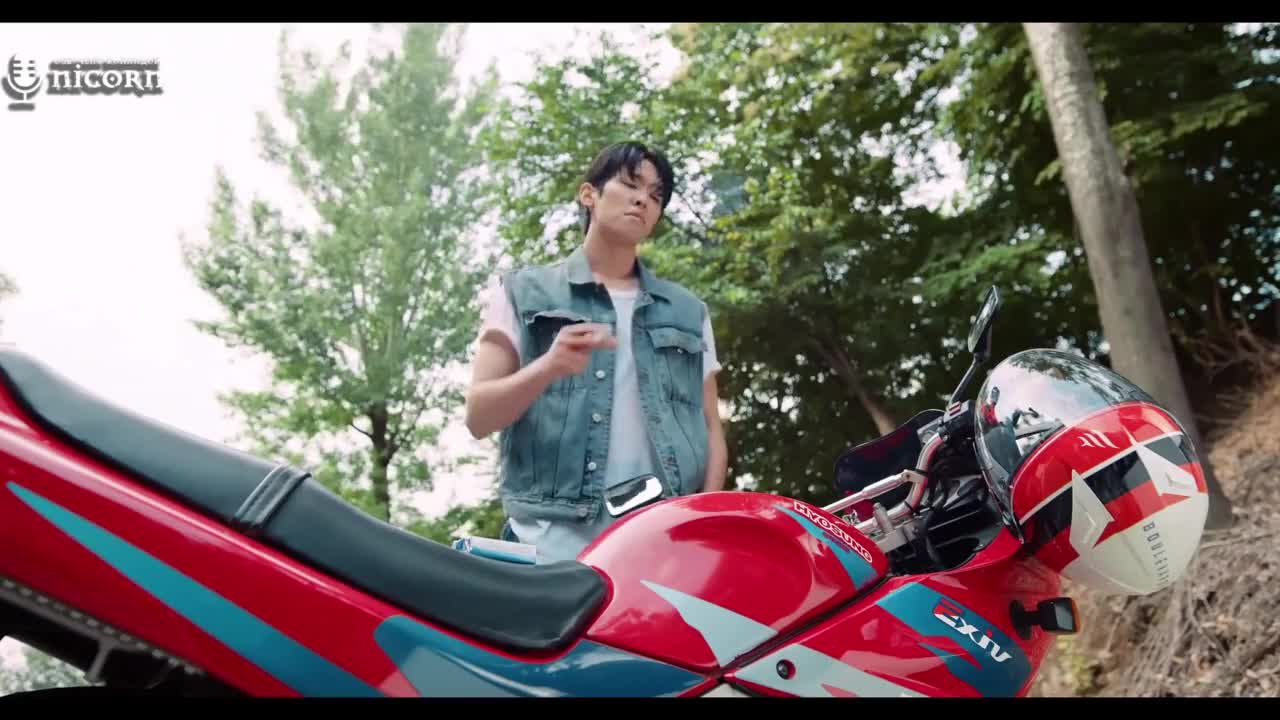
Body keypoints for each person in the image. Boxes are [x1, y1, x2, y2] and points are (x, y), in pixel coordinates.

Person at [464, 141, 728, 564]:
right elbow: (478, 417)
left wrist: (703, 522)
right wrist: (547, 368)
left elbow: (711, 425)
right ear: (589, 194)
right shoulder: (521, 293)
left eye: (656, 195)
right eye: (631, 184)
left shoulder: (688, 312)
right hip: (549, 549)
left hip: (664, 548)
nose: (643, 199)